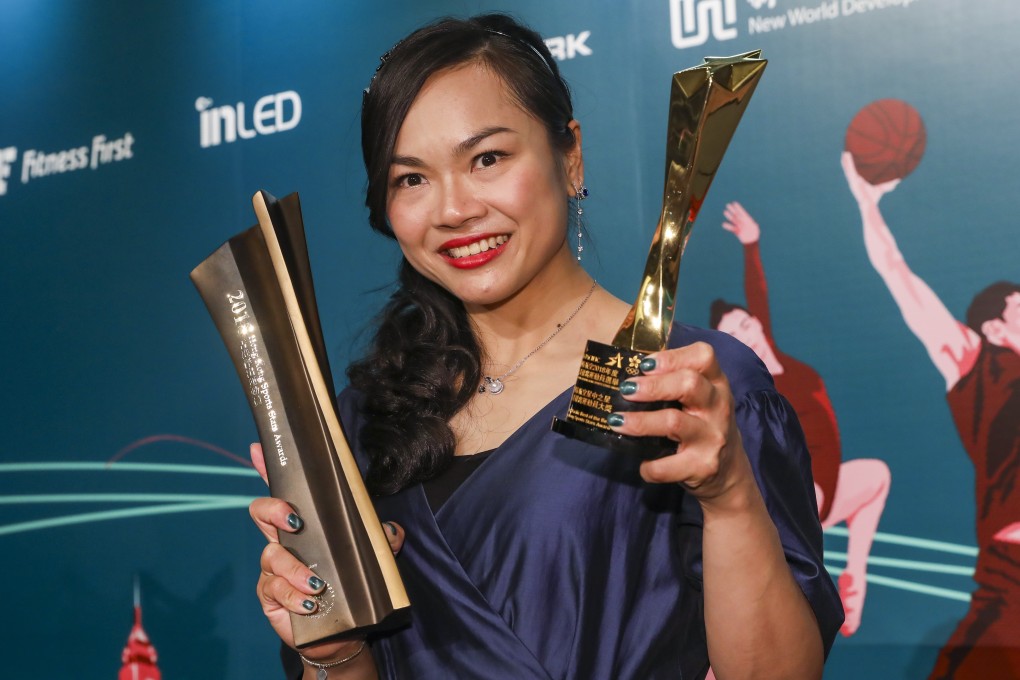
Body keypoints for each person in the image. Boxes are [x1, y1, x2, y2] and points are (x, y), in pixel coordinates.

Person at [249, 14, 843, 679]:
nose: (453, 209)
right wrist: (335, 651)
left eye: (487, 159)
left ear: (570, 157)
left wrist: (730, 493)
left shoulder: (687, 387)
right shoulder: (361, 420)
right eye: (410, 178)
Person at [842, 151, 1020, 678]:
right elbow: (899, 277)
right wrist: (867, 205)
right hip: (1012, 581)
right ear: (993, 329)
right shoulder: (979, 369)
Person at [709, 200, 890, 636]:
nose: (746, 331)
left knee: (875, 476)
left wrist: (752, 244)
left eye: (746, 322)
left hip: (825, 488)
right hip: (791, 497)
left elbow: (759, 292)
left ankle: (856, 578)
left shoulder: (783, 363)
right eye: (734, 334)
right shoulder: (749, 386)